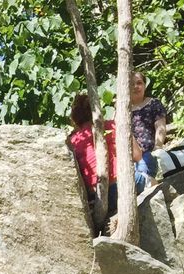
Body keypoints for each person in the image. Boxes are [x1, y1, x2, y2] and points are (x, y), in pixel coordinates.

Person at [67, 92, 142, 228]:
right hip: (120, 187)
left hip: (96, 197)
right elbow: (137, 155)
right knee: (150, 179)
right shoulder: (112, 126)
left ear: (75, 117)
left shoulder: (74, 141)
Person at [129, 71, 170, 185]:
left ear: (144, 85)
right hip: (127, 158)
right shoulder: (122, 109)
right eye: (132, 84)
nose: (136, 87)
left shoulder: (153, 104)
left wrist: (158, 147)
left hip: (147, 154)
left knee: (140, 180)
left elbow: (160, 127)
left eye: (139, 83)